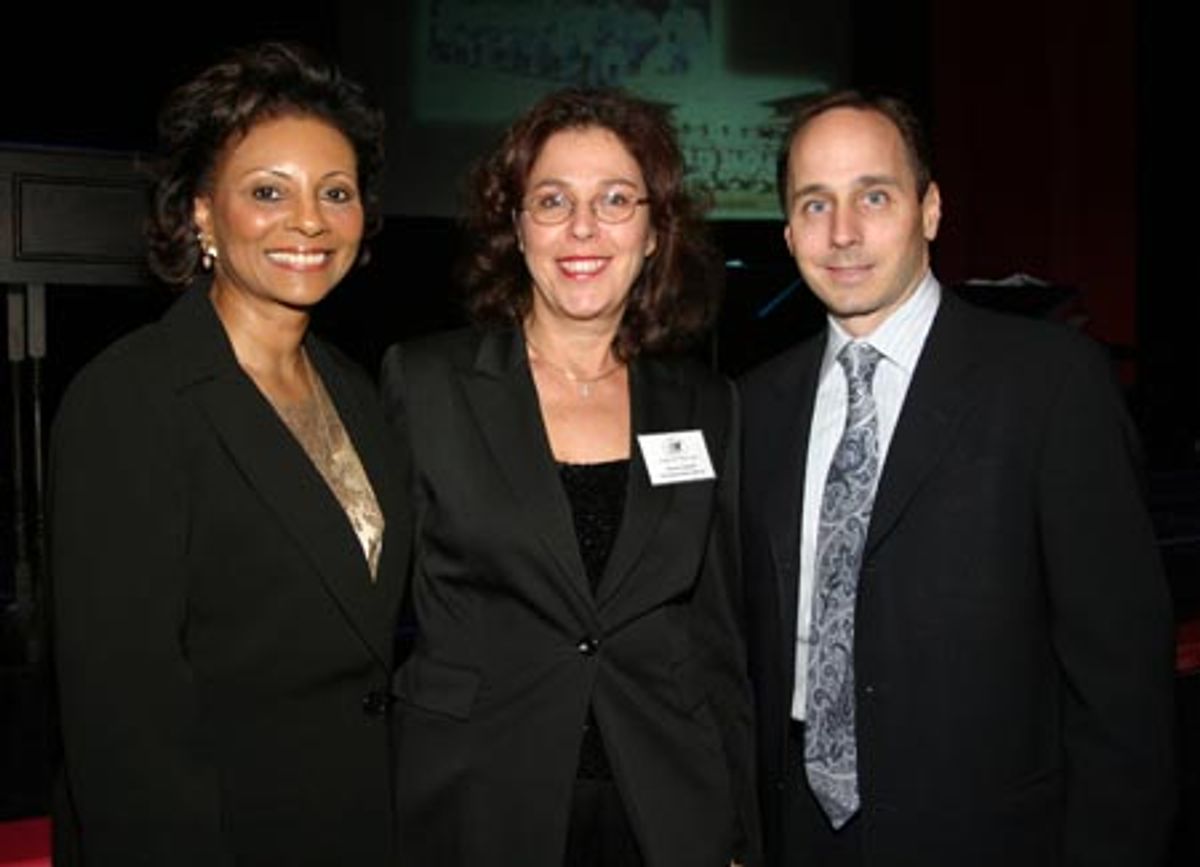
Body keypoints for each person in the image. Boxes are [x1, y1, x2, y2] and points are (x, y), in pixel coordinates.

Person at [739, 89, 1177, 867]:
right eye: (815, 204)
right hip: (798, 835)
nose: (843, 233)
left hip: (992, 836)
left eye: (874, 195)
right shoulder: (758, 405)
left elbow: (1123, 682)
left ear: (930, 208)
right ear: (787, 229)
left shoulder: (1049, 383)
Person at [50, 42, 411, 866]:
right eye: (267, 192)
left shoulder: (353, 387)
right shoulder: (132, 398)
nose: (309, 220)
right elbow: (120, 723)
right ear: (203, 214)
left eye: (336, 192)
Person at [381, 87, 759, 867]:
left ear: (655, 231)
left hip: (663, 806)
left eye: (616, 199)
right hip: (478, 800)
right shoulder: (425, 385)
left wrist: (739, 831)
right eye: (553, 200)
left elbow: (716, 639)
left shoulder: (708, 404)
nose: (583, 228)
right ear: (516, 227)